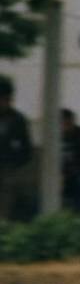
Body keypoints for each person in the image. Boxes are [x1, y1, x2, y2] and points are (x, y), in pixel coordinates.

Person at [0, 76, 34, 219]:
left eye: (5, 99)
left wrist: (14, 162)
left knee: (7, 193)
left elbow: (26, 150)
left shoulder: (18, 120)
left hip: (9, 167)